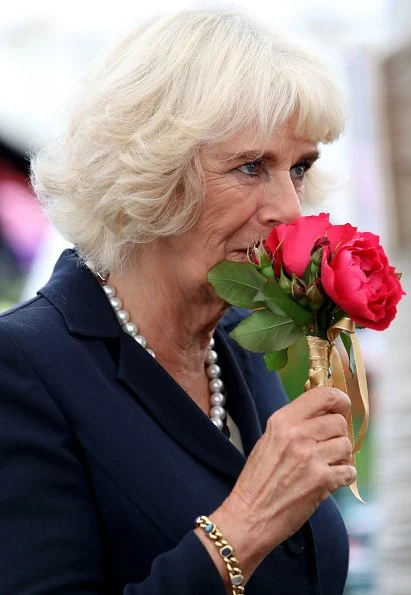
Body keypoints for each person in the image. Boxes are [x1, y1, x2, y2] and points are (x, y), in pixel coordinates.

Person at [0, 10, 356, 594]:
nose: (290, 208)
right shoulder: (24, 368)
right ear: (152, 177)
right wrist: (245, 524)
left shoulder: (238, 341)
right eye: (250, 167)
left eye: (298, 168)